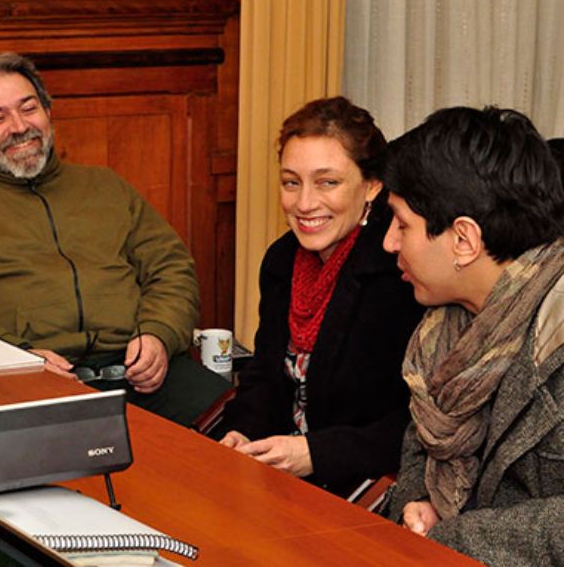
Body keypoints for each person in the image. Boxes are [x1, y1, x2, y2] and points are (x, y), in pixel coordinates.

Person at [0, 52, 231, 426]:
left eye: (29, 108)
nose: (20, 126)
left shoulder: (106, 187)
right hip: (25, 384)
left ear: (48, 113)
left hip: (146, 374)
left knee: (247, 432)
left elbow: (171, 269)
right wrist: (18, 358)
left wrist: (158, 335)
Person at [215, 97, 424, 496]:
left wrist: (316, 452)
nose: (304, 203)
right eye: (291, 182)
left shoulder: (401, 271)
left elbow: (420, 423)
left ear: (372, 185)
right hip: (278, 477)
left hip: (366, 487)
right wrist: (241, 433)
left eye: (327, 182)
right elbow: (264, 377)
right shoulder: (281, 260)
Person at [382, 106, 564, 563]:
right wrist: (415, 508)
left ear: (463, 240)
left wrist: (457, 537)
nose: (388, 242)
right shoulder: (444, 328)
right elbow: (421, 451)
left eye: (402, 224)